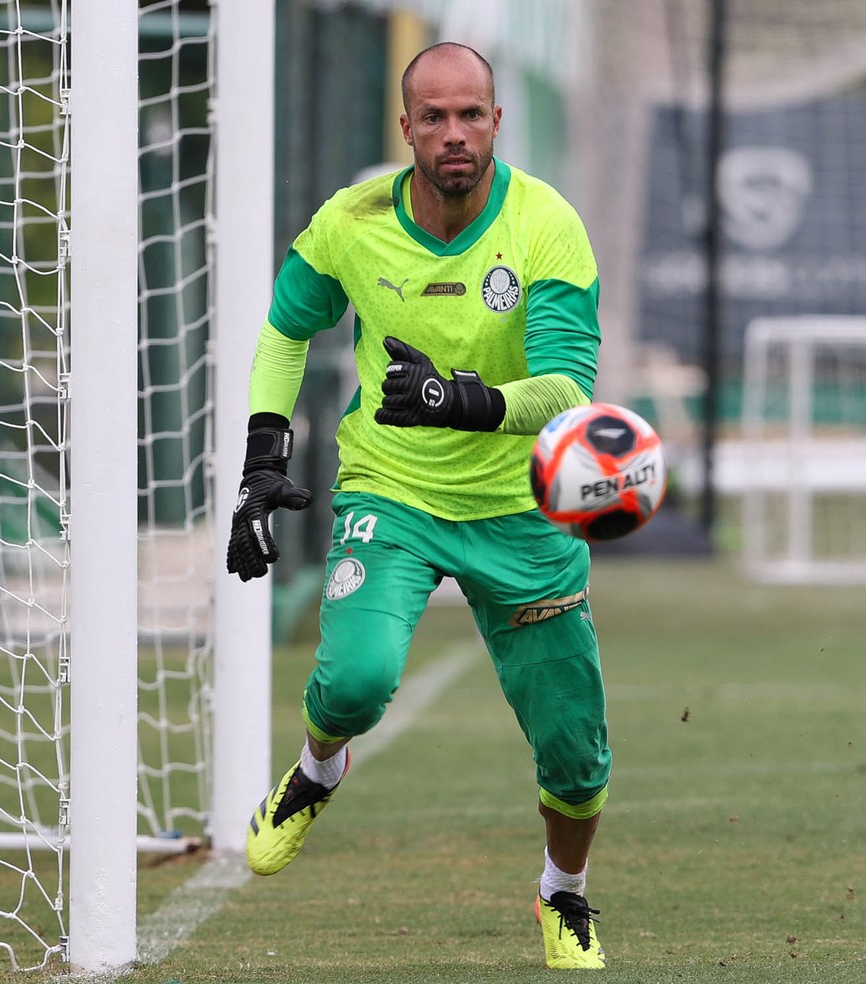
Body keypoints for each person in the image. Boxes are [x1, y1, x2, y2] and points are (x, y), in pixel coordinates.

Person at [227, 41, 611, 971]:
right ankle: (318, 769)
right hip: (391, 492)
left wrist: (467, 401)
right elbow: (286, 329)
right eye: (432, 117)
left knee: (575, 753)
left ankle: (564, 893)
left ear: (495, 122)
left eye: (469, 115)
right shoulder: (352, 222)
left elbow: (571, 386)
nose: (453, 134)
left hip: (521, 509)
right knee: (354, 682)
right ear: (405, 128)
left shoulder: (546, 225)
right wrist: (262, 454)